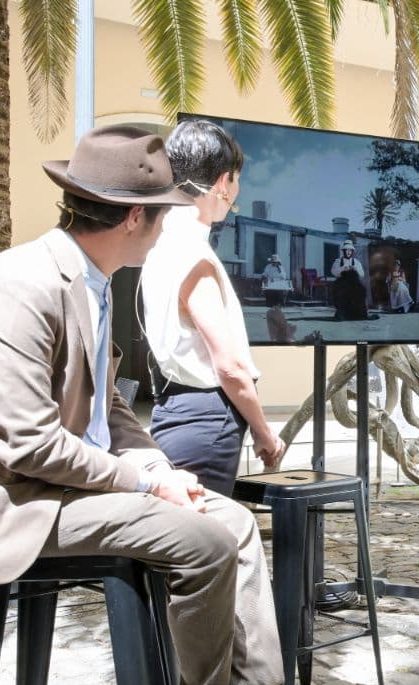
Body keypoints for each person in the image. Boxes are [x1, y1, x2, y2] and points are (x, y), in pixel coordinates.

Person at [0, 125, 351, 685]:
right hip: (14, 503)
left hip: (67, 489)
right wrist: (141, 479)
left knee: (231, 522)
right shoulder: (17, 285)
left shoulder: (95, 280)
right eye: (165, 209)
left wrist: (160, 465)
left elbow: (109, 410)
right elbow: (27, 443)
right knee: (201, 538)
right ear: (136, 216)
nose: (174, 221)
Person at [143, 118, 287, 498]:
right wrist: (264, 431)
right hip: (206, 421)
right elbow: (230, 367)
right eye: (237, 180)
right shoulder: (194, 255)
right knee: (204, 546)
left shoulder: (160, 244)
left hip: (173, 409)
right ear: (224, 183)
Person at [330, 239, 373, 320]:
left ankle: (359, 313)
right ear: (343, 251)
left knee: (362, 290)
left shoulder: (356, 262)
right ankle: (341, 313)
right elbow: (333, 272)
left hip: (354, 284)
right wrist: (343, 268)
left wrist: (355, 268)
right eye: (346, 250)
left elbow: (362, 274)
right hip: (342, 283)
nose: (348, 252)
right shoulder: (338, 261)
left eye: (350, 250)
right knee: (341, 292)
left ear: (352, 251)